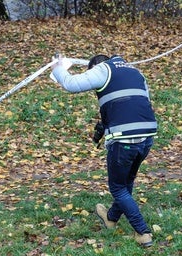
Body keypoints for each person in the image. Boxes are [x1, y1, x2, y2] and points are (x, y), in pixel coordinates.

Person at [51, 54, 157, 247]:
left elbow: (71, 84)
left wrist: (58, 67)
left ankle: (142, 232)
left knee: (117, 187)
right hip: (147, 136)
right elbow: (135, 103)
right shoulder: (136, 72)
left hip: (125, 138)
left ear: (93, 67)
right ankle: (111, 218)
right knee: (126, 182)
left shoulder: (103, 69)